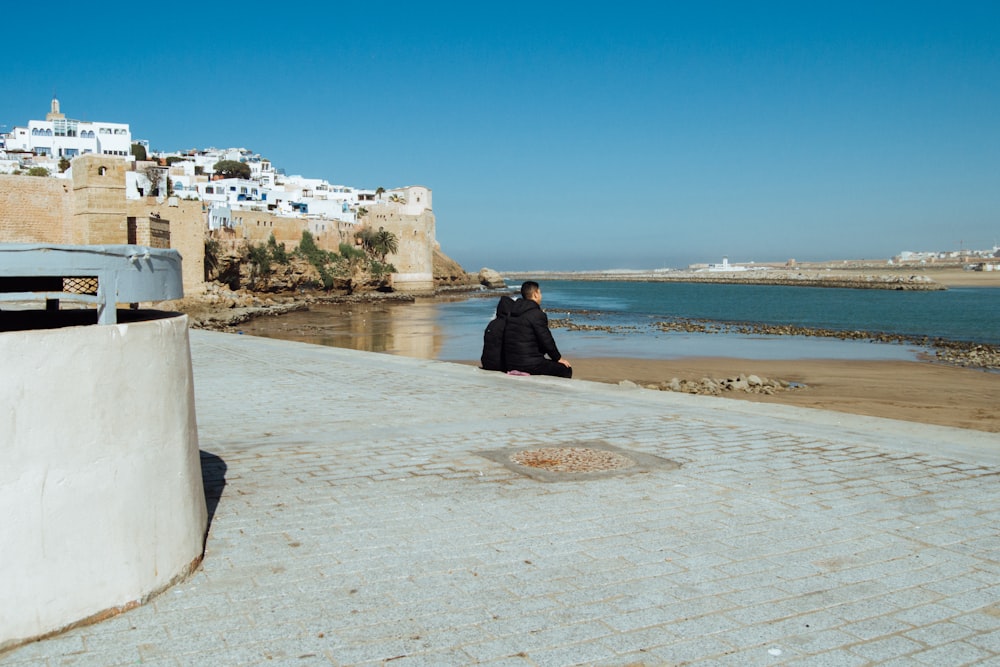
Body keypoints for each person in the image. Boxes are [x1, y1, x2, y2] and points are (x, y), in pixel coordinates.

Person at [502, 281, 572, 378]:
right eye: (540, 293)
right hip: (529, 364)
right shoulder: (536, 314)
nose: (541, 296)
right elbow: (546, 340)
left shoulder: (512, 313)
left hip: (511, 363)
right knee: (565, 369)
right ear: (535, 294)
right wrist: (558, 358)